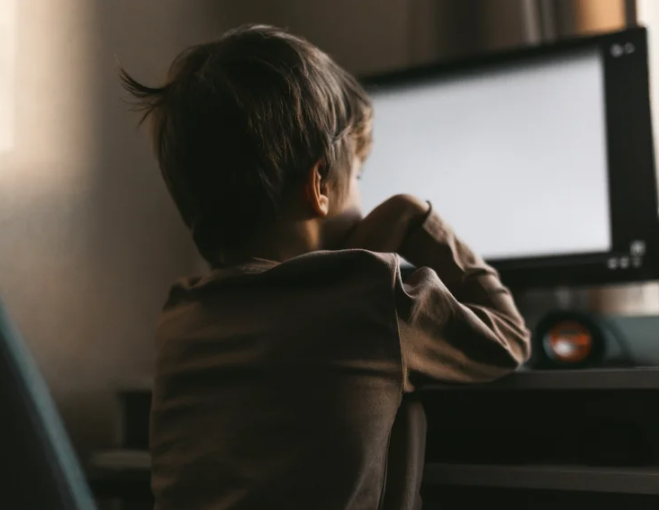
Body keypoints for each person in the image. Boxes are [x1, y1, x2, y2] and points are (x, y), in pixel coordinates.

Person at [121, 24, 530, 510]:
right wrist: (416, 217)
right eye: (358, 175)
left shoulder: (181, 317)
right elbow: (510, 338)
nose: (363, 190)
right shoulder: (374, 293)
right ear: (320, 185)